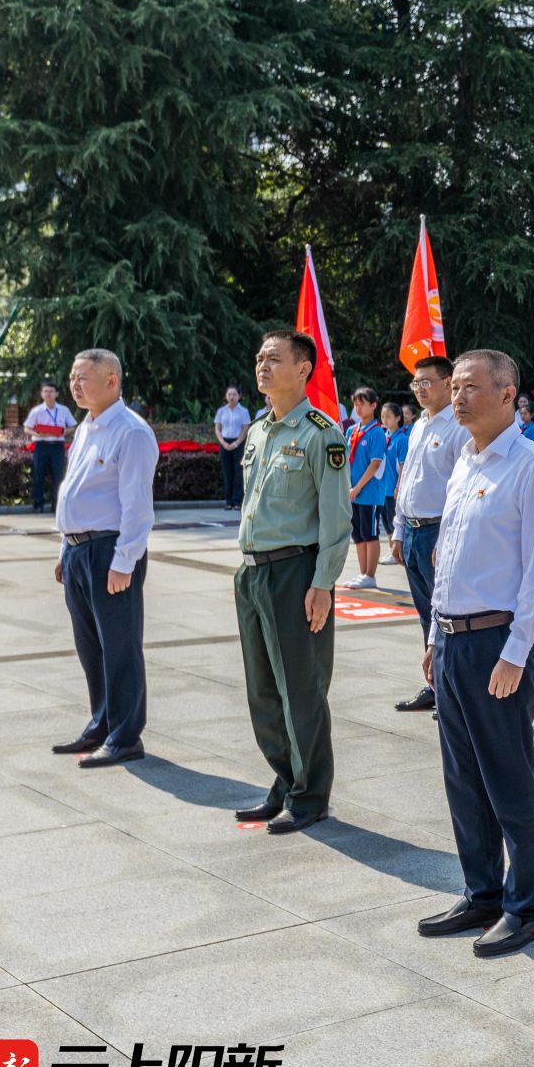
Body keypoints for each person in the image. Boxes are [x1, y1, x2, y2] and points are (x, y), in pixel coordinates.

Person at [413, 349, 534, 959]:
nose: (458, 397)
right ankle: (482, 892)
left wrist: (516, 651)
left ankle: (526, 907)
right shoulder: (466, 462)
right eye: (456, 388)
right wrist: (432, 639)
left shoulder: (531, 467)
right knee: (462, 779)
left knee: (508, 780)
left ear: (508, 394)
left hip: (496, 644)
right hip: (451, 641)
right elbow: (448, 558)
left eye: (471, 387)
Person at [232, 330, 351, 835]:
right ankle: (285, 781)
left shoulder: (320, 434)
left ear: (303, 369)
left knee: (300, 689)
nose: (262, 365)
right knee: (262, 690)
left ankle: (310, 796)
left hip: (296, 573)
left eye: (274, 358)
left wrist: (322, 584)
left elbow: (335, 520)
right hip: (253, 572)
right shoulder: (259, 431)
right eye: (259, 356)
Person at [49, 349, 159, 767]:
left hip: (109, 552)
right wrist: (65, 548)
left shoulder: (131, 432)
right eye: (73, 377)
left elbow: (137, 507)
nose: (75, 385)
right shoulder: (86, 428)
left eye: (84, 378)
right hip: (79, 550)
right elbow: (74, 491)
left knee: (119, 646)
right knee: (90, 646)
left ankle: (126, 735)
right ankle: (102, 722)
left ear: (112, 380)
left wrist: (124, 561)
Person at [392, 355, 460, 714]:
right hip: (414, 531)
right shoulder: (419, 425)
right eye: (415, 383)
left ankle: (450, 690)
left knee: (445, 616)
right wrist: (398, 529)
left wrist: (446, 539)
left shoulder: (458, 427)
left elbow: (459, 489)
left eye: (426, 382)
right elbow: (408, 481)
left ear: (448, 383)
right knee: (425, 615)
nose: (419, 389)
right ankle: (433, 684)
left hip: (438, 532)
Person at [343, 387, 385, 590]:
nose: (358, 408)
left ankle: (371, 574)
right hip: (353, 492)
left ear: (373, 405)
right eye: (356, 404)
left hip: (368, 493)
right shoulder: (352, 430)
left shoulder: (377, 432)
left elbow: (374, 464)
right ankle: (362, 574)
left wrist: (357, 487)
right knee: (358, 535)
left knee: (370, 534)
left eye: (362, 403)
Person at [24, 381, 77, 513]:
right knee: (38, 475)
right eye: (46, 391)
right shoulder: (36, 411)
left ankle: (57, 505)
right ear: (42, 394)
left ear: (56, 394)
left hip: (57, 445)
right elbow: (26, 428)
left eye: (51, 391)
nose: (48, 394)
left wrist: (65, 432)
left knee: (58, 476)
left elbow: (73, 426)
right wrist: (37, 433)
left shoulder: (63, 410)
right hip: (41, 445)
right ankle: (38, 505)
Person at [214, 386, 252, 510]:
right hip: (224, 442)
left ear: (239, 396)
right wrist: (223, 443)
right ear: (226, 396)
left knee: (238, 473)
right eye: (229, 394)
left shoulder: (243, 411)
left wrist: (236, 443)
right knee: (227, 473)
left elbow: (245, 428)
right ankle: (228, 501)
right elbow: (217, 428)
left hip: (238, 443)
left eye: (234, 394)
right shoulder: (221, 411)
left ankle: (237, 502)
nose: (232, 397)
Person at [376, 401, 405, 563]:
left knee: (394, 521)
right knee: (386, 522)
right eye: (382, 416)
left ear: (398, 418)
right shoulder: (384, 436)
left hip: (392, 487)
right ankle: (390, 550)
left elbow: (403, 465)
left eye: (388, 416)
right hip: (381, 487)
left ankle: (396, 551)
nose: (384, 420)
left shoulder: (401, 439)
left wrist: (398, 486)